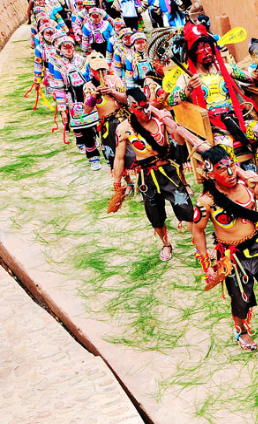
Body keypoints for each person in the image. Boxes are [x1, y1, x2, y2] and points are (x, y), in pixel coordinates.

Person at [168, 22, 258, 229]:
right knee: (225, 149)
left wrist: (256, 76)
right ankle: (244, 202)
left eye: (208, 47)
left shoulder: (224, 68)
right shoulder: (186, 77)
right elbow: (172, 99)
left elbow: (250, 79)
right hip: (213, 128)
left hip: (237, 120)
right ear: (192, 52)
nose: (206, 52)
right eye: (200, 49)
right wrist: (188, 89)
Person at [192, 146, 258, 365]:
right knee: (240, 301)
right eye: (222, 169)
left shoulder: (249, 186)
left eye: (232, 166)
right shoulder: (206, 201)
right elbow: (198, 231)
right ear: (211, 173)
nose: (230, 173)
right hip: (232, 258)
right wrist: (206, 265)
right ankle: (240, 330)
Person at [113, 88, 195, 260]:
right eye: (139, 109)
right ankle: (166, 244)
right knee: (155, 215)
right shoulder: (123, 128)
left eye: (146, 107)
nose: (145, 112)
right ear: (131, 108)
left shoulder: (161, 118)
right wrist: (117, 182)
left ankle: (198, 243)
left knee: (186, 207)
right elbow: (119, 158)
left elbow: (180, 142)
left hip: (168, 173)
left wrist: (171, 122)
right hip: (146, 178)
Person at [83, 52, 134, 188]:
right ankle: (129, 183)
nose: (101, 72)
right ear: (91, 70)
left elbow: (127, 100)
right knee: (114, 156)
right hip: (107, 126)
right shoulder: (89, 86)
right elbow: (86, 110)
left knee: (132, 151)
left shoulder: (115, 79)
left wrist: (112, 92)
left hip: (123, 120)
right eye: (97, 70)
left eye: (103, 69)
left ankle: (142, 181)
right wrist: (94, 96)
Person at [53, 32, 103, 170]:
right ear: (59, 49)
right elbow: (59, 89)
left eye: (70, 47)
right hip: (73, 101)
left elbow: (93, 77)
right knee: (84, 128)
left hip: (89, 95)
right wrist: (63, 110)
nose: (68, 50)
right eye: (64, 47)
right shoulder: (58, 66)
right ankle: (93, 157)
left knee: (97, 125)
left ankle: (100, 145)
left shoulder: (83, 60)